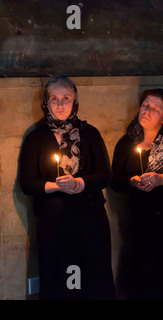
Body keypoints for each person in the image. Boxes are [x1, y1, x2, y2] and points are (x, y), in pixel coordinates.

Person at [19, 75, 115, 300]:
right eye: (54, 99)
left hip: (90, 220)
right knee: (60, 281)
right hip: (55, 224)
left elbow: (105, 176)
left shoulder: (90, 133)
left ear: (75, 101)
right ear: (46, 102)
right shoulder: (36, 138)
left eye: (66, 98)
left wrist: (79, 183)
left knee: (93, 279)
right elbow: (27, 183)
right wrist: (57, 186)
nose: (60, 105)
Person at [111, 88, 163, 300]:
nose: (147, 110)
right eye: (145, 105)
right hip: (138, 227)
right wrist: (132, 181)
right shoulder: (127, 143)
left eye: (155, 108)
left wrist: (160, 179)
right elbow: (115, 181)